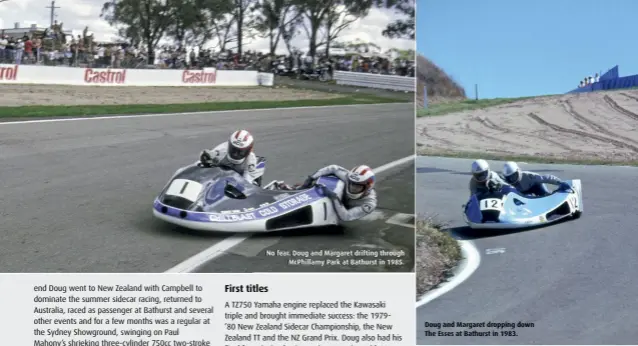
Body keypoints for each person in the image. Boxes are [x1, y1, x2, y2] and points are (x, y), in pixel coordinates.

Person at [271, 165, 377, 222]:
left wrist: (334, 198)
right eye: (351, 184)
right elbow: (333, 168)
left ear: (368, 187)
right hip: (337, 198)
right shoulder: (349, 177)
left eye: (357, 186)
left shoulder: (369, 204)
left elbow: (346, 217)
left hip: (341, 211)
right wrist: (311, 178)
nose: (352, 187)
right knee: (327, 179)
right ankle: (296, 190)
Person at [501, 161, 570, 196]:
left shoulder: (529, 176)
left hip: (535, 187)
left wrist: (560, 182)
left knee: (546, 196)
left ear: (518, 171)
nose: (512, 179)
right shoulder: (504, 182)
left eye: (514, 176)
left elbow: (546, 178)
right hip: (520, 194)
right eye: (509, 178)